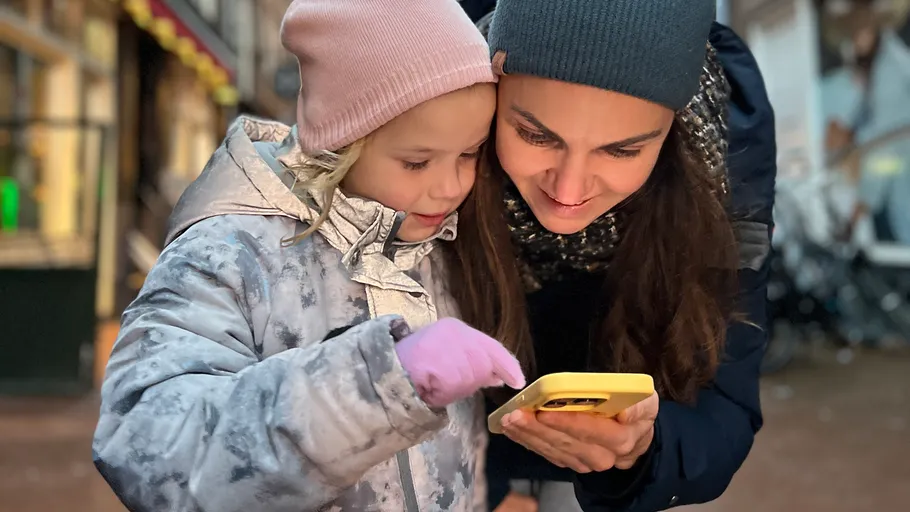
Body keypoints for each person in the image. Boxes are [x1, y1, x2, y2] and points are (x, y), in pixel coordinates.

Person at [92, 1, 527, 511]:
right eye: (416, 162)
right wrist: (371, 384)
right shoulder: (229, 254)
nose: (451, 186)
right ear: (341, 139)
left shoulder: (439, 246)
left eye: (469, 153)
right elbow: (149, 449)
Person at [449, 1, 777, 510]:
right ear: (491, 88)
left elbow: (726, 407)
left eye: (622, 150)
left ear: (676, 130)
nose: (569, 189)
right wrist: (488, 481)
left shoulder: (724, 159)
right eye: (535, 135)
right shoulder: (436, 113)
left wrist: (643, 449)